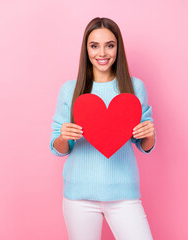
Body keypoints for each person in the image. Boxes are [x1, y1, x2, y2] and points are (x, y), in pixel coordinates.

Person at [50, 17, 157, 240]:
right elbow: (58, 147)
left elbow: (144, 145)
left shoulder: (135, 87)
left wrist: (149, 135)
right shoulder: (70, 90)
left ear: (118, 48)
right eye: (94, 46)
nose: (102, 53)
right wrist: (63, 137)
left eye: (109, 45)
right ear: (86, 49)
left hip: (123, 194)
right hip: (79, 197)